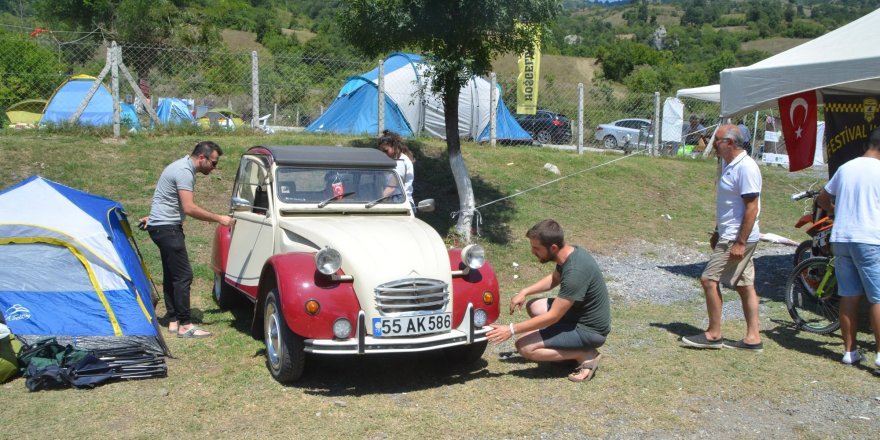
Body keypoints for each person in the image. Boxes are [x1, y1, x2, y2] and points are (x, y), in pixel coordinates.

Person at [487, 219, 611, 382]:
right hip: (577, 315)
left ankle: (584, 354)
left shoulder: (575, 271)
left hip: (589, 330)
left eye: (536, 248)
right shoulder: (570, 254)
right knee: (534, 305)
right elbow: (554, 279)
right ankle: (564, 348)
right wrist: (525, 292)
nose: (533, 252)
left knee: (525, 347)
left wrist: (510, 329)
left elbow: (553, 316)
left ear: (553, 247)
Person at [682, 124, 764, 352]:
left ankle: (713, 334)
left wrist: (739, 242)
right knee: (745, 285)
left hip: (737, 237)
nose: (712, 144)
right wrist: (717, 230)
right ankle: (752, 338)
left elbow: (751, 208)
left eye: (716, 140)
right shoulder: (729, 165)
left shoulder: (746, 168)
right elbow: (730, 205)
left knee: (709, 279)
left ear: (730, 143)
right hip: (729, 234)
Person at [145, 141, 234, 339]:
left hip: (160, 226)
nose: (214, 167)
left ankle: (173, 319)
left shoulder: (178, 166)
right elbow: (189, 208)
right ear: (201, 158)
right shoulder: (184, 171)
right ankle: (185, 326)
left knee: (172, 273)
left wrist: (152, 217)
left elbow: (162, 198)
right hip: (167, 228)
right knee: (184, 275)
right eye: (213, 162)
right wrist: (220, 218)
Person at [816, 127, 880, 369]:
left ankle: (849, 352)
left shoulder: (846, 167)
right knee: (877, 298)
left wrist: (835, 210)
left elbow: (822, 198)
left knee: (849, 296)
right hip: (871, 239)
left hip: (842, 237)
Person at [377, 130, 415, 210]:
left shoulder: (400, 162)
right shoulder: (392, 160)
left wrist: (375, 201)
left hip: (402, 204)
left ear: (394, 147)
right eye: (381, 152)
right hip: (394, 202)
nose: (383, 154)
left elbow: (391, 187)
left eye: (386, 151)